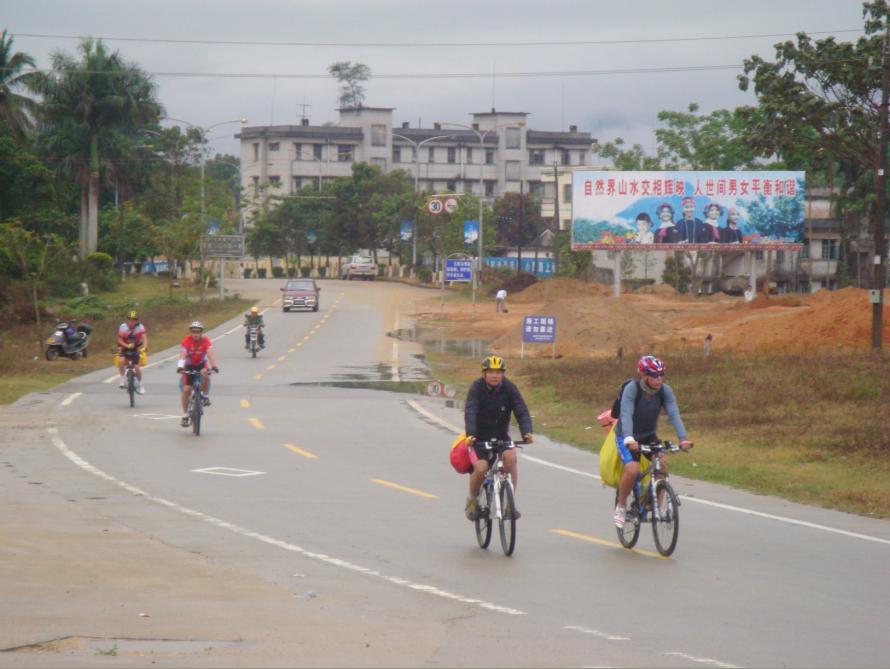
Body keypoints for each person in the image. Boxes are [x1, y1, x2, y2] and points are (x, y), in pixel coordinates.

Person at [613, 355, 692, 528]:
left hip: (649, 435)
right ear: (644, 375)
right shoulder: (633, 389)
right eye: (654, 375)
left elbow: (674, 414)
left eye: (661, 375)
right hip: (627, 435)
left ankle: (655, 503)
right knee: (632, 470)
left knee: (662, 464)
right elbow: (625, 413)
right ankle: (622, 505)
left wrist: (683, 438)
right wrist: (628, 438)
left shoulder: (665, 391)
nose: (659, 379)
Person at [463, 355, 533, 520]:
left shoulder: (509, 388)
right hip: (478, 437)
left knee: (511, 459)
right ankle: (472, 500)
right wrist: (471, 434)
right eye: (491, 372)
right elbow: (470, 411)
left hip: (501, 434)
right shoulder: (476, 388)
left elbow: (521, 409)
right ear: (484, 374)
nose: (495, 376)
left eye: (499, 372)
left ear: (503, 374)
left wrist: (527, 432)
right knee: (480, 468)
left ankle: (510, 505)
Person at [177, 321, 219, 427]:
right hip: (189, 366)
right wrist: (180, 366)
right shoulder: (186, 340)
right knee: (186, 390)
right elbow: (183, 354)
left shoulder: (205, 341)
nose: (195, 334)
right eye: (193, 331)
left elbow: (210, 354)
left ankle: (204, 396)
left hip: (201, 365)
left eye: (198, 332)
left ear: (201, 332)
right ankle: (185, 415)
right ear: (190, 332)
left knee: (206, 374)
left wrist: (214, 366)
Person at [117, 310, 148, 394]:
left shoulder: (140, 327)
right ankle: (122, 380)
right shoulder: (122, 327)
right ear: (127, 320)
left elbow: (144, 337)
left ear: (137, 320)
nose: (131, 321)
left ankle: (140, 385)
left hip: (135, 347)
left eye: (134, 320)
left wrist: (145, 347)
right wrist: (126, 346)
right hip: (124, 346)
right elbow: (119, 339)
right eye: (130, 319)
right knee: (121, 361)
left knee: (137, 367)